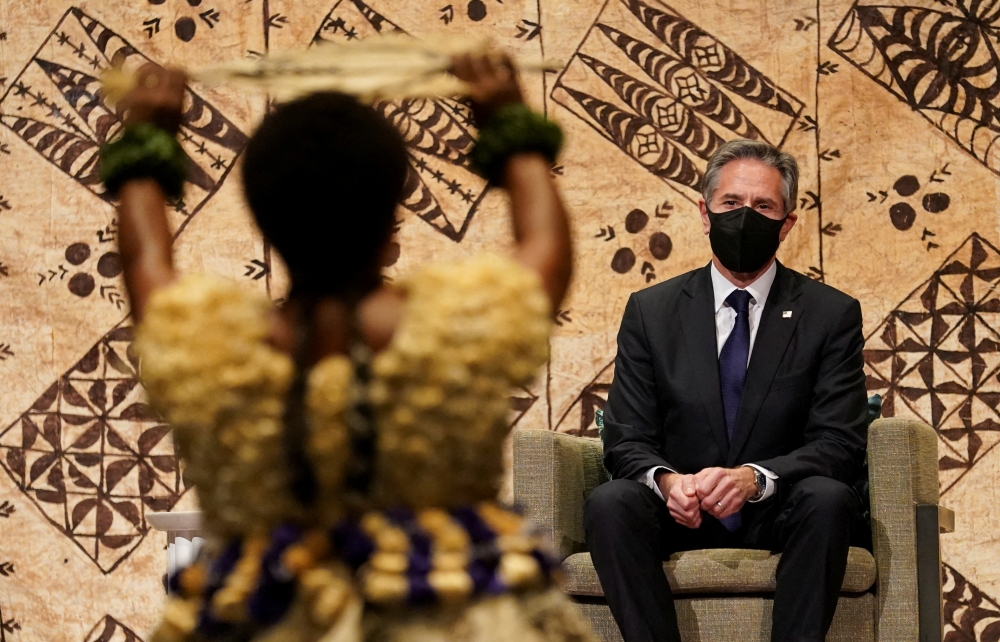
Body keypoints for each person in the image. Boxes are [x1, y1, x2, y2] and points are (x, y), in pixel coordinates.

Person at [106, 54, 596, 642]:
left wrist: (146, 137)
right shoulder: (459, 330)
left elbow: (144, 263)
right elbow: (546, 247)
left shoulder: (208, 347)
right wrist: (509, 123)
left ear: (264, 217)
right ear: (393, 208)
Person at [585, 139, 870, 642]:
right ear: (704, 212)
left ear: (787, 224)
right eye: (731, 204)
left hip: (776, 510)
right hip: (680, 511)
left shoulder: (830, 314)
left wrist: (753, 479)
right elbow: (626, 436)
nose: (746, 217)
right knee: (611, 503)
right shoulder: (651, 312)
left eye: (763, 207)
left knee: (829, 499)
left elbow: (839, 443)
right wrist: (670, 484)